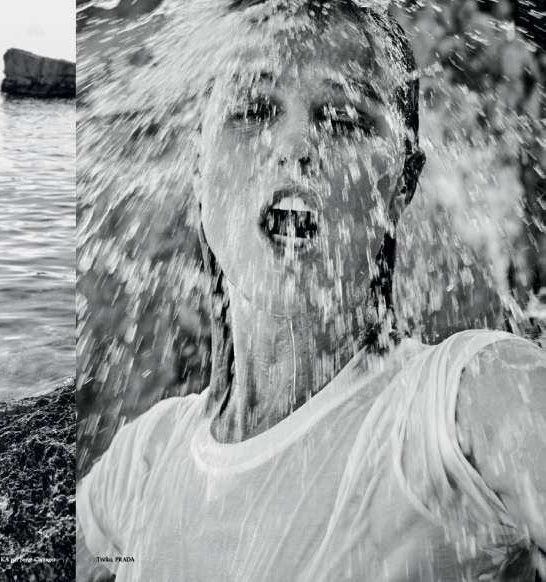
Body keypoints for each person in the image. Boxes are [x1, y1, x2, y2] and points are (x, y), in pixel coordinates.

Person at [76, 1, 546, 580]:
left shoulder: (460, 408)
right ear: (200, 167)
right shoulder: (141, 464)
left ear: (401, 183)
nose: (295, 145)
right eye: (252, 109)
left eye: (346, 118)